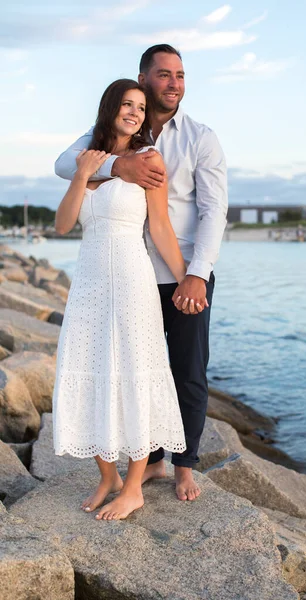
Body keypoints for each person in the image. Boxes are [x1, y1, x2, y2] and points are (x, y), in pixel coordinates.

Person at [55, 44, 228, 502]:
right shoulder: (98, 143)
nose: (174, 83)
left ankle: (183, 467)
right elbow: (63, 167)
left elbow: (211, 212)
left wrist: (197, 275)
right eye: (164, 74)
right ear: (143, 78)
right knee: (124, 367)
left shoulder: (198, 138)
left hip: (182, 269)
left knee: (186, 371)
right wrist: (115, 165)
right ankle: (145, 465)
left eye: (181, 75)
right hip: (116, 278)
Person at [52, 78, 188, 521]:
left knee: (134, 370)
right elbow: (63, 224)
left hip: (132, 278)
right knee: (89, 366)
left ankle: (134, 487)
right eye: (127, 104)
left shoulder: (149, 159)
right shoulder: (89, 159)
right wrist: (83, 173)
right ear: (110, 106)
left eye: (140, 107)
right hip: (89, 281)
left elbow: (162, 227)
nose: (134, 112)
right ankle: (107, 476)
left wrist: (188, 279)